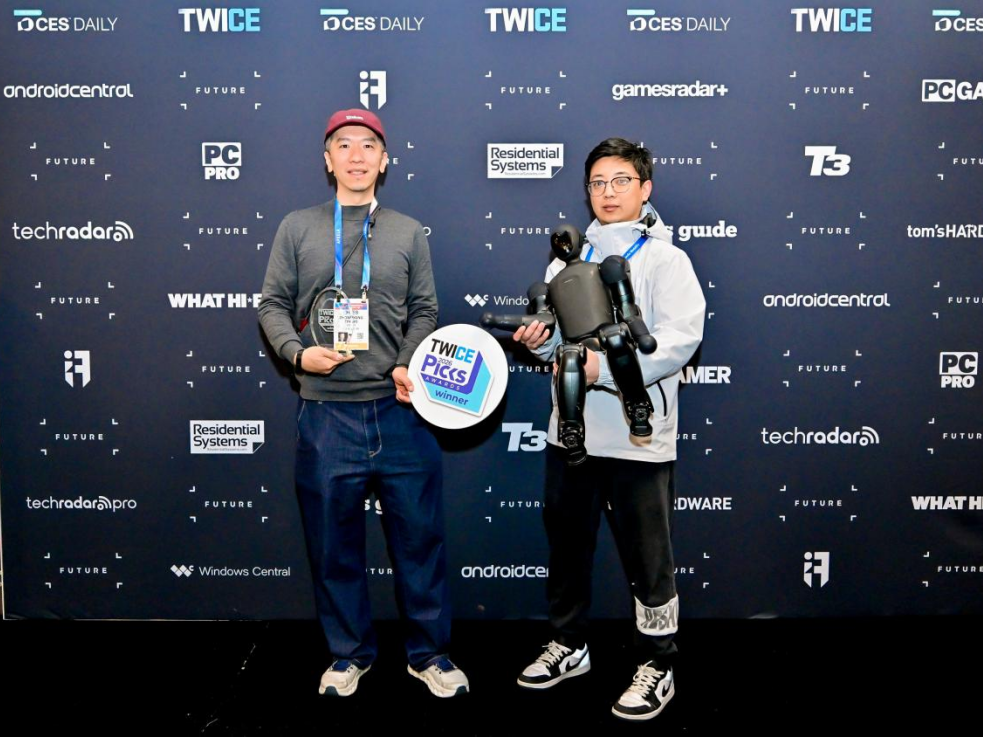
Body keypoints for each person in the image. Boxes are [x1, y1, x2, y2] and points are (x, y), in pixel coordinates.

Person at [258, 109, 468, 699]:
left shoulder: (408, 231)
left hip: (402, 411)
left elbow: (425, 309)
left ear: (384, 159)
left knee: (420, 542)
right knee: (334, 547)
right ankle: (348, 654)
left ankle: (429, 654)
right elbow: (272, 305)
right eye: (343, 145)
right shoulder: (297, 227)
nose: (356, 155)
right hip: (326, 413)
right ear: (328, 160)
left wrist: (407, 361)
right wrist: (298, 354)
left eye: (368, 145)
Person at [513, 138, 705, 720]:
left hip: (639, 438)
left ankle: (658, 661)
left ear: (645, 188)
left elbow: (680, 340)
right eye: (598, 182)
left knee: (649, 559)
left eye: (621, 180)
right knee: (568, 547)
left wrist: (608, 370)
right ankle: (569, 644)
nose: (608, 192)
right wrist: (538, 341)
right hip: (571, 434)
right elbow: (555, 338)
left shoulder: (667, 260)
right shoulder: (564, 261)